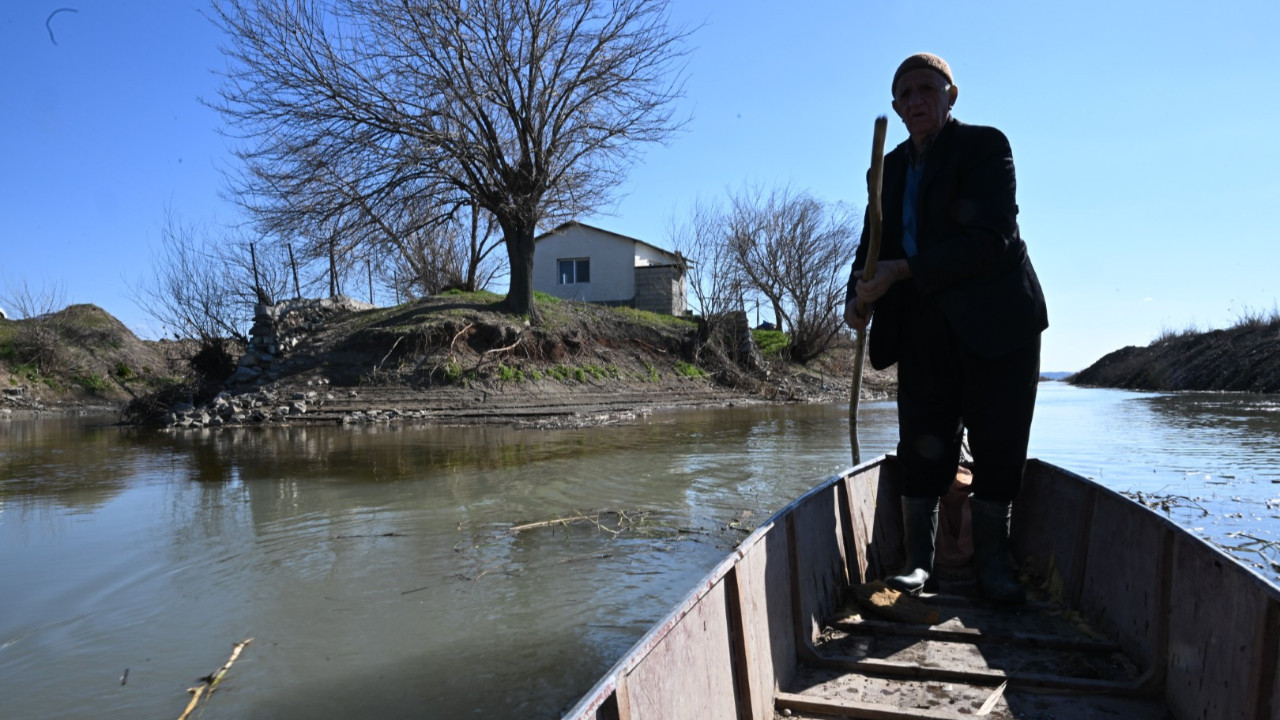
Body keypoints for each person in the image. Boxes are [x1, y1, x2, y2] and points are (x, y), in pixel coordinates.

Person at [845, 53, 1048, 605]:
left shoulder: (985, 147)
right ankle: (918, 562)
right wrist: (856, 297)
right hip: (922, 326)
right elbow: (873, 245)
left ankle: (994, 565)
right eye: (905, 93)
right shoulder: (883, 170)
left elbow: (992, 239)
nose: (916, 100)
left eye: (926, 89)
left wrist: (901, 271)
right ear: (895, 105)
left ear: (950, 95)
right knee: (922, 443)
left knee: (998, 442)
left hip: (997, 325)